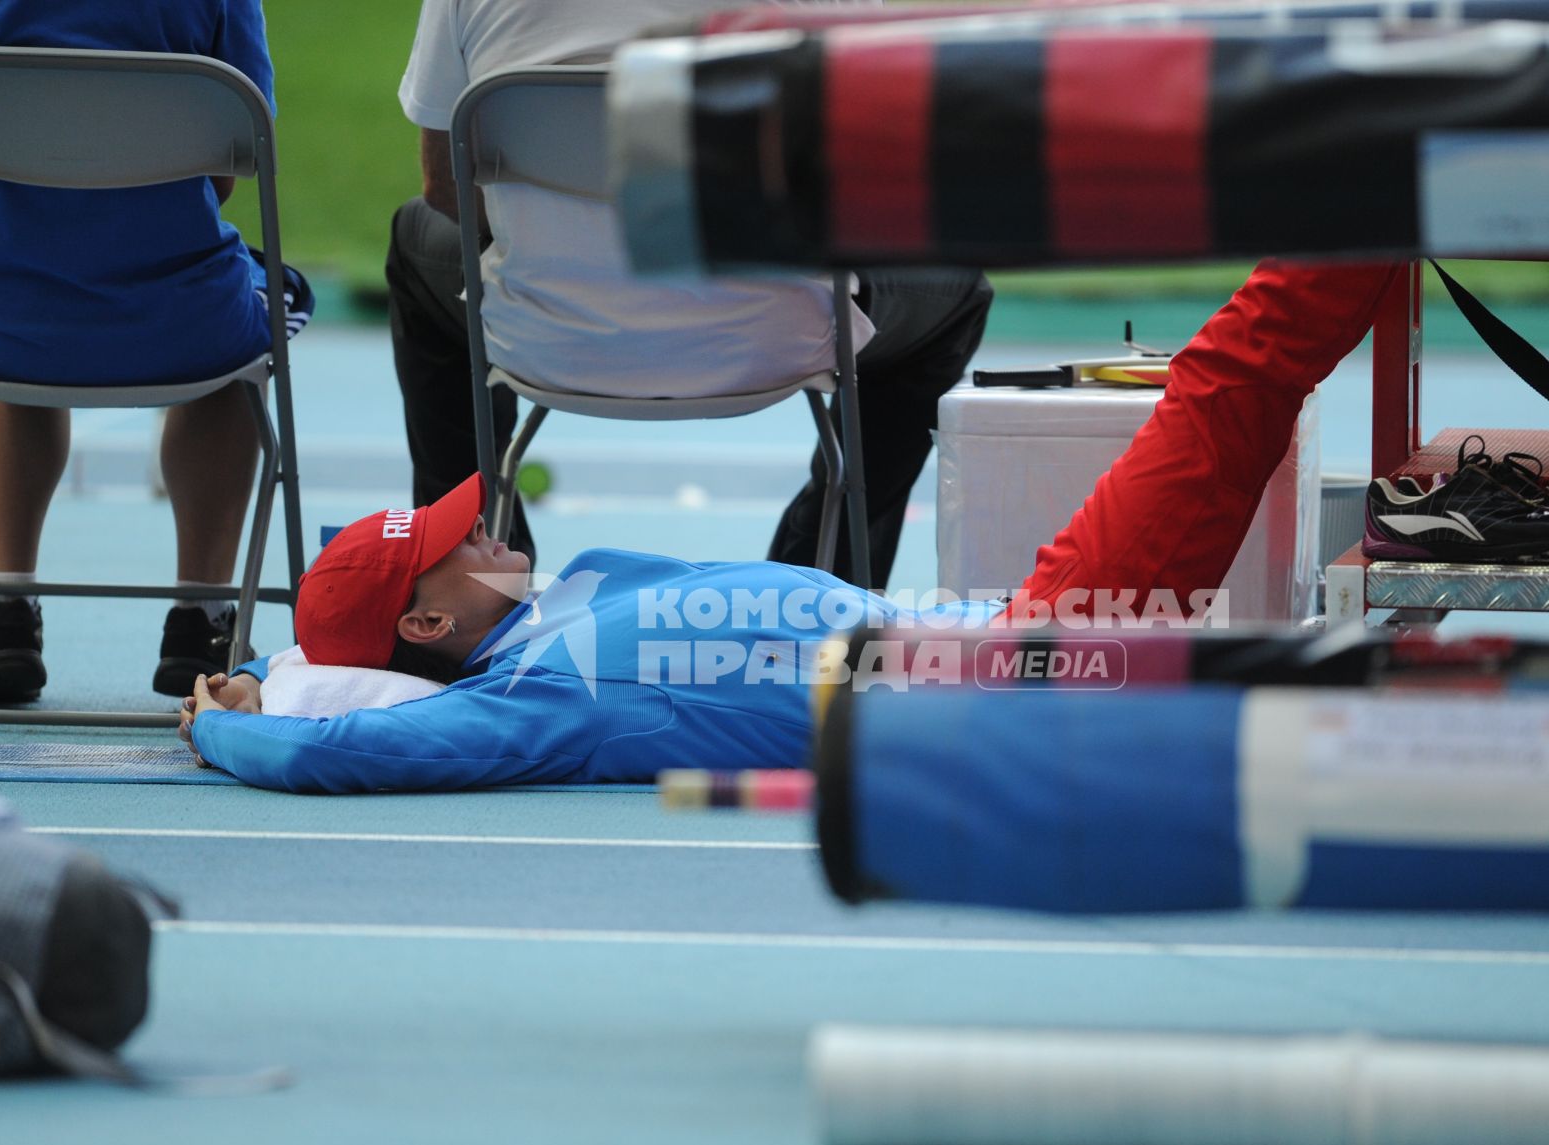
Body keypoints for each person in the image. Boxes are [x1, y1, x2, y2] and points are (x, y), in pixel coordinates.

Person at [182, 260, 1405, 792]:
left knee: (1245, 374)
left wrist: (263, 673)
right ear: (432, 614)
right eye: (456, 536)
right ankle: (1394, 165)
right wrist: (236, 725)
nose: (482, 516)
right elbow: (339, 750)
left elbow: (337, 680)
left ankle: (1393, 175)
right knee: (1237, 371)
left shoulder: (571, 605)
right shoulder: (531, 698)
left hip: (1001, 633)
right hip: (1024, 674)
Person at [387, 0, 993, 589]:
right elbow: (866, 184)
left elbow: (447, 190)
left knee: (417, 244)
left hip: (545, 337)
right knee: (957, 290)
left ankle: (469, 594)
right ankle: (820, 590)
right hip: (780, 341)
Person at [0, 0, 315, 704]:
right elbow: (238, 151)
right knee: (249, 330)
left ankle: (4, 613)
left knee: (29, 307)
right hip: (183, 323)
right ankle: (202, 619)